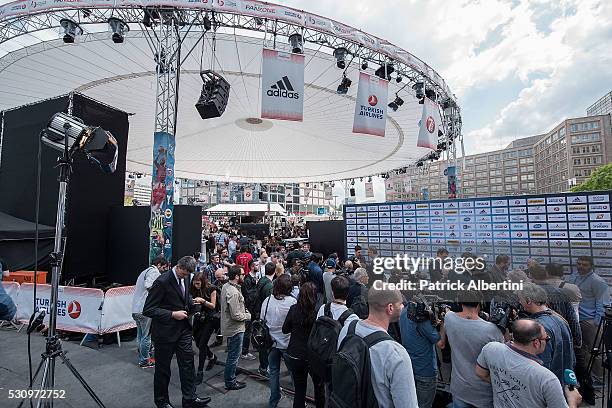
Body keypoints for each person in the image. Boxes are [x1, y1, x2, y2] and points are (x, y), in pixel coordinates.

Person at [143, 256, 211, 408]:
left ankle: (190, 398)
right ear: (179, 267)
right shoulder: (162, 281)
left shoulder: (186, 278)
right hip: (165, 333)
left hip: (184, 330)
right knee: (163, 370)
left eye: (188, 275)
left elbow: (182, 297)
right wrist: (172, 314)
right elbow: (148, 309)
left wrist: (191, 303)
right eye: (185, 273)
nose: (186, 277)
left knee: (188, 365)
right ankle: (162, 402)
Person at [337, 288, 419, 407]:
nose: (402, 307)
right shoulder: (396, 354)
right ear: (390, 308)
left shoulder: (348, 329)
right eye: (400, 303)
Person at [475, 319, 582, 408]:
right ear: (536, 343)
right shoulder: (547, 379)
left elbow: (480, 373)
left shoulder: (491, 348)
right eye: (547, 338)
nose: (547, 340)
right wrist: (572, 400)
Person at [440, 291, 503, 408]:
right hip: (483, 393)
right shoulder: (492, 330)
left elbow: (444, 324)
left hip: (460, 388)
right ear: (480, 303)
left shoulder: (449, 318)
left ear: (460, 302)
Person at [567, 255, 610, 401]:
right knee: (583, 351)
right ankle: (588, 378)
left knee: (596, 351)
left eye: (584, 264)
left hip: (590, 321)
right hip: (576, 320)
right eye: (578, 263)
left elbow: (602, 303)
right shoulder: (574, 277)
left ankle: (599, 379)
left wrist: (596, 323)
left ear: (591, 266)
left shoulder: (598, 281)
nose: (580, 266)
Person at [517, 283, 575, 383]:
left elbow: (542, 363)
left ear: (529, 300)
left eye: (520, 299)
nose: (519, 302)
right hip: (562, 381)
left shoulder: (538, 326)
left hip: (547, 385)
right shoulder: (560, 318)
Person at [282, 282, 324, 408]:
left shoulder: (294, 309)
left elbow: (285, 329)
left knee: (299, 391)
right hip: (313, 357)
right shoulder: (317, 312)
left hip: (295, 354)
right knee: (319, 390)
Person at [260, 274, 297, 408]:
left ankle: (273, 400)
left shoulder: (267, 300)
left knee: (274, 372)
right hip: (287, 343)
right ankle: (298, 396)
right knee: (294, 371)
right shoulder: (292, 302)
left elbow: (262, 319)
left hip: (271, 342)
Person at [399, 299, 443, 408]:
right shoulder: (422, 321)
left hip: (409, 368)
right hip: (426, 372)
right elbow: (441, 344)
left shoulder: (402, 313)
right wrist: (443, 324)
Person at [132, 256, 168, 368]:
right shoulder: (154, 272)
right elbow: (149, 286)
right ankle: (144, 361)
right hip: (144, 310)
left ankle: (142, 356)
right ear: (159, 265)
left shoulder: (144, 271)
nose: (164, 271)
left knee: (140, 335)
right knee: (146, 336)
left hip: (136, 309)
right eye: (164, 268)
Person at [220, 265, 251, 391]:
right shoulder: (232, 292)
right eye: (242, 274)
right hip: (236, 329)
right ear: (237, 276)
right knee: (233, 356)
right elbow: (236, 315)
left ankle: (231, 374)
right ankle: (230, 381)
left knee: (232, 355)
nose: (244, 276)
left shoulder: (227, 286)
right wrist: (248, 316)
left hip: (231, 327)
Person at [190, 272, 219, 384]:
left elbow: (213, 305)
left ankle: (200, 371)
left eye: (198, 283)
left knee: (202, 345)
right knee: (198, 342)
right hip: (199, 318)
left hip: (210, 319)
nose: (196, 285)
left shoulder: (211, 288)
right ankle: (212, 356)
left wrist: (202, 301)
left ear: (203, 282)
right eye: (194, 283)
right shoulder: (193, 288)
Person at [240, 260, 258, 361]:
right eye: (256, 265)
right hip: (249, 309)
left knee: (252, 330)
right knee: (247, 330)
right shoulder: (247, 279)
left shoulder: (255, 277)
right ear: (251, 267)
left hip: (254, 309)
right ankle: (244, 352)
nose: (258, 266)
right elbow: (248, 295)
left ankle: (253, 346)